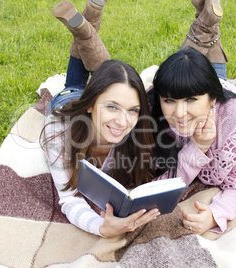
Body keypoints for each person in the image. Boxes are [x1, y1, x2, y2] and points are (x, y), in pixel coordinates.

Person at [149, 1, 236, 234]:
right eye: (169, 101)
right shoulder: (154, 109)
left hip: (224, 100)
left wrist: (217, 214)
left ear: (212, 100)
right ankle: (206, 20)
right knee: (188, 68)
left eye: (190, 101)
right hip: (206, 91)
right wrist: (198, 147)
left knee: (210, 75)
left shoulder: (234, 124)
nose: (179, 113)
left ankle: (206, 21)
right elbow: (159, 184)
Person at [42, 0, 160, 238]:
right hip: (68, 101)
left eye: (133, 110)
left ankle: (86, 25)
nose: (123, 122)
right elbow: (68, 198)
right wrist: (101, 227)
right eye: (113, 107)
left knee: (104, 75)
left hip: (94, 98)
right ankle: (85, 29)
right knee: (73, 84)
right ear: (92, 104)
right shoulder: (57, 131)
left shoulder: (139, 129)